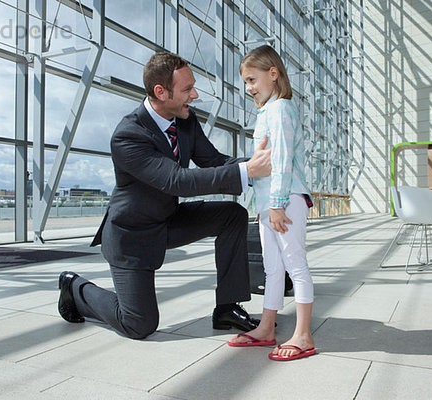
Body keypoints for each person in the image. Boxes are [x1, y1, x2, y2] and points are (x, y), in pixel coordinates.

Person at [57, 52, 272, 339]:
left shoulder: (184, 119)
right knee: (139, 324)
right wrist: (248, 170)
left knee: (232, 215)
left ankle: (226, 308)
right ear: (161, 92)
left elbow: (212, 160)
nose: (194, 95)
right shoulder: (128, 135)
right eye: (187, 89)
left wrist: (257, 165)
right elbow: (176, 181)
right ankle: (75, 288)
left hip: (168, 220)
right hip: (132, 236)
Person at [227, 45, 316, 361]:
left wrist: (276, 204)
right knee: (273, 267)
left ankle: (303, 335)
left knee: (295, 263)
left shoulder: (280, 110)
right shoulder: (270, 111)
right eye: (246, 82)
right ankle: (267, 328)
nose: (249, 88)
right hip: (272, 203)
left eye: (253, 79)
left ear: (273, 74)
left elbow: (281, 160)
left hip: (285, 200)